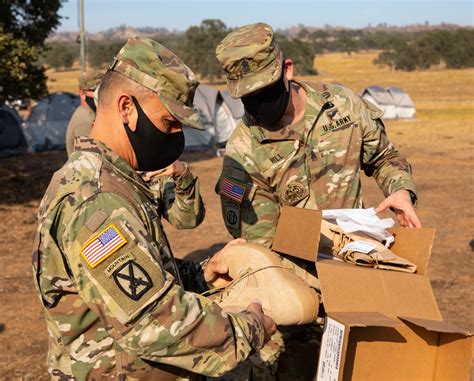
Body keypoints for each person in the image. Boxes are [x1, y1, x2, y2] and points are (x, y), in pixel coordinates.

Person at [32, 36, 276, 380]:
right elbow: (151, 321)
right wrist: (248, 329)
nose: (176, 136)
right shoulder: (96, 200)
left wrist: (199, 274)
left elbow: (137, 277)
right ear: (126, 108)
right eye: (169, 123)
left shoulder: (116, 180)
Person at [214, 22, 421, 379]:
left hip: (360, 279)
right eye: (248, 98)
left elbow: (385, 157)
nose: (258, 105)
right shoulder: (242, 152)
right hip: (295, 304)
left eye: (265, 91)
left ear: (287, 70)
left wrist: (399, 189)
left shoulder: (342, 105)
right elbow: (261, 244)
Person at [65, 75, 99, 156]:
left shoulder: (91, 114)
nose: (99, 94)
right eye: (95, 90)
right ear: (82, 94)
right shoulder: (86, 121)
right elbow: (90, 162)